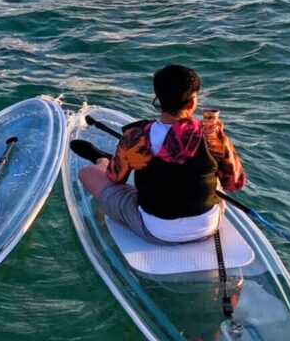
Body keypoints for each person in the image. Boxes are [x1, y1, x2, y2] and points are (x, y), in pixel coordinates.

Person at [72, 64, 246, 245]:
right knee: (216, 169)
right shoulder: (212, 136)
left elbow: (115, 179)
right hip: (208, 227)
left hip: (156, 231)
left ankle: (102, 161)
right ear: (192, 103)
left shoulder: (136, 136)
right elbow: (234, 183)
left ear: (159, 99)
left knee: (87, 173)